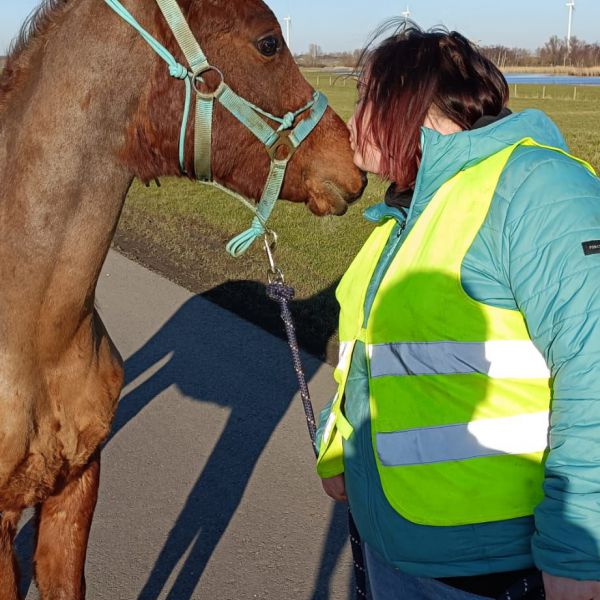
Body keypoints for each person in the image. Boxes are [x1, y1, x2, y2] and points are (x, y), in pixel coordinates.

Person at [315, 22, 600, 600]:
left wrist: (579, 558)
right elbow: (370, 360)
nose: (353, 118)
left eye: (366, 97)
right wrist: (336, 452)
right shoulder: (402, 218)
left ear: (409, 103)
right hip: (393, 546)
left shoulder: (536, 188)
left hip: (494, 572)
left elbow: (592, 368)